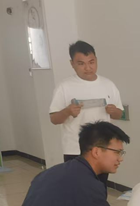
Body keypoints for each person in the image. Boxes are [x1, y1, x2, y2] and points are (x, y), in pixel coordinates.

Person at [49, 40, 123, 170]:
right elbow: (54, 119)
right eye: (81, 63)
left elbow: (119, 114)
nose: (88, 68)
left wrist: (114, 111)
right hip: (75, 149)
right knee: (77, 182)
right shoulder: (64, 87)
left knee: (99, 182)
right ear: (72, 64)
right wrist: (67, 111)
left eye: (91, 62)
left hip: (102, 148)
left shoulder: (108, 85)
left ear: (96, 60)